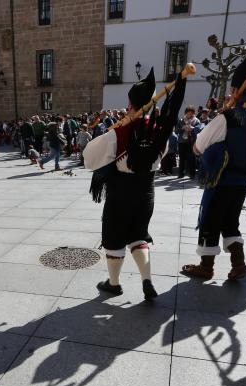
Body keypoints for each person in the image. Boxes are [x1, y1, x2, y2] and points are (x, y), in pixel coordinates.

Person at [84, 67, 186, 300]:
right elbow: (162, 155)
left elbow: (89, 158)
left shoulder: (118, 133)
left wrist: (109, 133)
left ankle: (114, 283)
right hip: (146, 193)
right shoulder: (161, 132)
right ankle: (146, 280)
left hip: (120, 194)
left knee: (114, 237)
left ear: (131, 105)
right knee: (139, 235)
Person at [180, 55, 246, 280]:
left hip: (220, 180)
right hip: (243, 182)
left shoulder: (227, 118)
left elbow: (198, 147)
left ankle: (206, 266)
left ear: (234, 89)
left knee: (211, 219)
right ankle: (238, 263)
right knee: (231, 221)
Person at [175, 105, 199, 179]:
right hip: (182, 141)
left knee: (192, 158)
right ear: (186, 113)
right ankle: (181, 173)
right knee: (181, 158)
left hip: (191, 141)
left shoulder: (196, 120)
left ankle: (192, 174)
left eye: (191, 113)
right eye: (188, 113)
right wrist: (182, 128)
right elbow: (176, 131)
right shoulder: (181, 120)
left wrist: (192, 129)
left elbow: (199, 130)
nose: (190, 115)